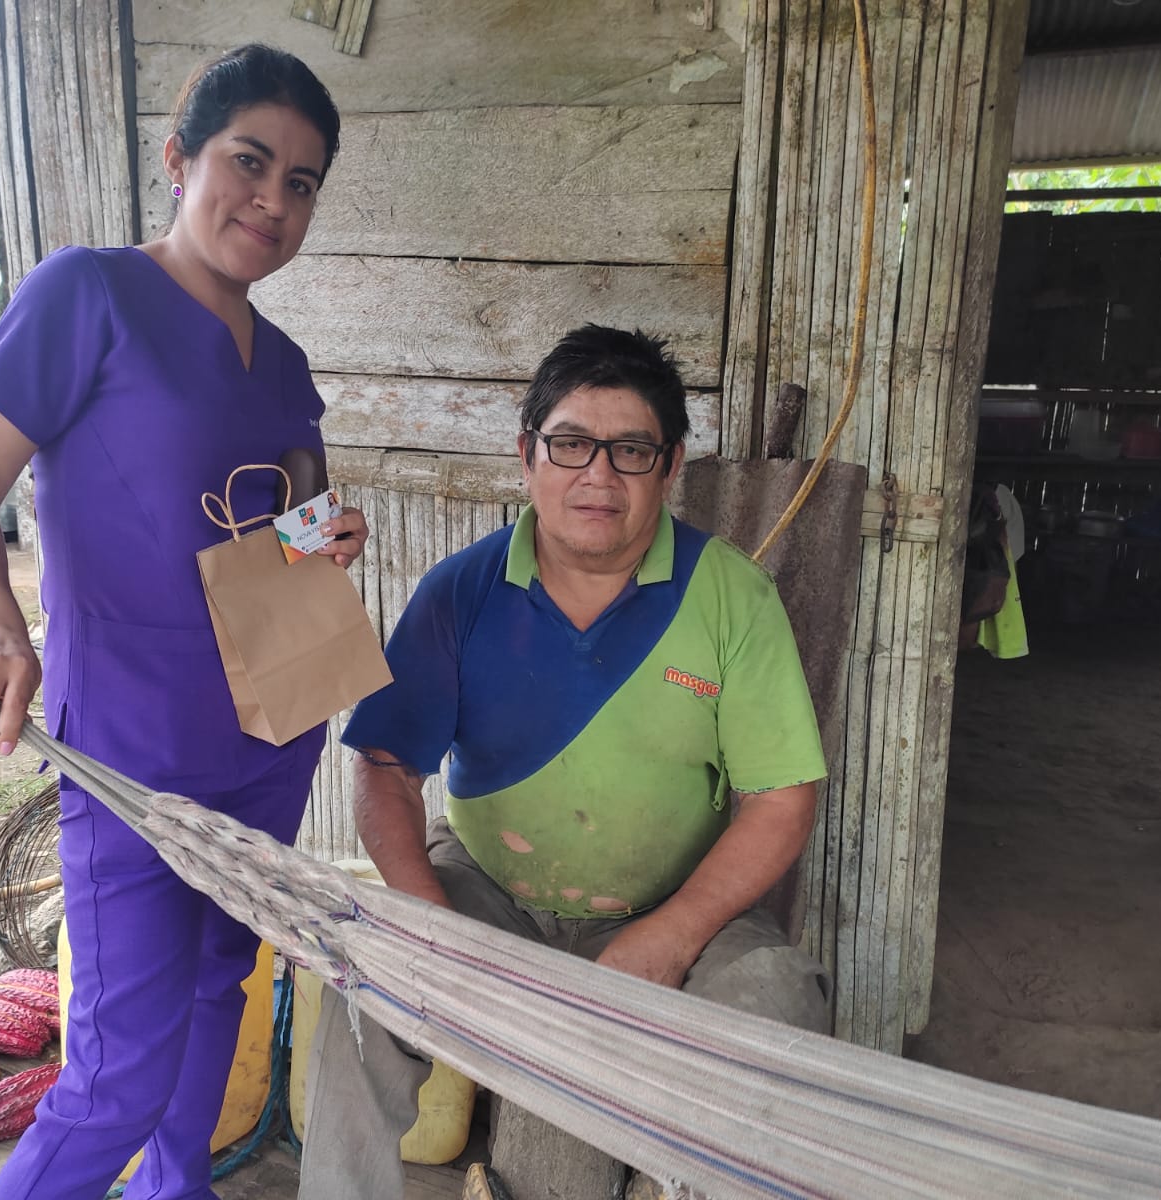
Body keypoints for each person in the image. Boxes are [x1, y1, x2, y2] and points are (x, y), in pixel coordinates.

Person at [0, 44, 365, 1200]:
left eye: (301, 182)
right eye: (248, 162)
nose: (272, 200)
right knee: (116, 1073)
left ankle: (179, 1188)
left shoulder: (287, 365)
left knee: (221, 983)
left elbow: (295, 525)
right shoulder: (89, 296)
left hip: (270, 737)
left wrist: (326, 537)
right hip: (134, 750)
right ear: (178, 159)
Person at [297, 325, 832, 1200]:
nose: (599, 476)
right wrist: (431, 923)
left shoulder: (733, 597)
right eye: (571, 444)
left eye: (632, 451)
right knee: (366, 984)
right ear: (527, 456)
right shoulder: (460, 592)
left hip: (677, 902)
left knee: (778, 1008)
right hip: (490, 891)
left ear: (671, 465)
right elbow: (385, 767)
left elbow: (781, 798)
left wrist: (672, 936)